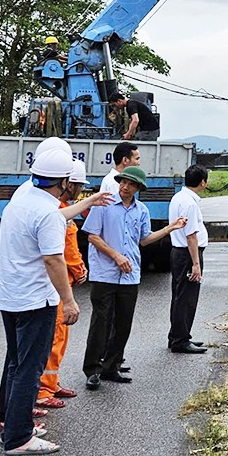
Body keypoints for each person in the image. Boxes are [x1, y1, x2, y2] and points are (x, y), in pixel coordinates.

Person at [0, 138, 80, 456]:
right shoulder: (47, 213)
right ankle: (19, 437)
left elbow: (56, 216)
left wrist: (89, 203)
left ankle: (7, 420)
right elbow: (54, 260)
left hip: (11, 297)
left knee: (15, 363)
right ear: (65, 181)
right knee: (30, 368)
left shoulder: (23, 195)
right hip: (36, 300)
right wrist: (69, 300)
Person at [80, 165, 185, 390]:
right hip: (105, 273)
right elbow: (93, 237)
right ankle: (93, 369)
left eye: (130, 184)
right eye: (123, 182)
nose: (125, 187)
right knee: (101, 322)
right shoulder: (104, 204)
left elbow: (145, 239)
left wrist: (171, 228)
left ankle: (112, 365)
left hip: (129, 276)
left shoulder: (141, 211)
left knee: (123, 322)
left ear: (138, 188)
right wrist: (116, 256)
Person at [37, 158, 90, 410]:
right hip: (58, 286)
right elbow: (67, 250)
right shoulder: (60, 213)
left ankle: (51, 382)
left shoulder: (59, 208)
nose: (81, 190)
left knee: (59, 337)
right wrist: (79, 270)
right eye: (79, 185)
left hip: (58, 284)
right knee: (55, 337)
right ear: (70, 184)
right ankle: (44, 389)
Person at [167, 165, 209, 354]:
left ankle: (177, 335)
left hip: (178, 252)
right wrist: (196, 264)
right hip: (188, 253)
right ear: (202, 182)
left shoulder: (179, 197)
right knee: (187, 298)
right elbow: (191, 235)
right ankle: (181, 340)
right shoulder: (190, 203)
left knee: (179, 295)